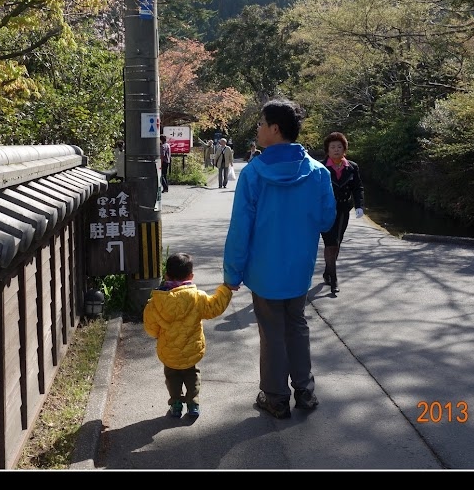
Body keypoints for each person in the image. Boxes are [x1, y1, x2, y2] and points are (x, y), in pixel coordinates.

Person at [222, 98, 336, 419]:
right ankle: (305, 391)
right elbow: (327, 220)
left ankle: (274, 397)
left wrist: (233, 273)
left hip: (264, 272)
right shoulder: (318, 172)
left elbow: (240, 229)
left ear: (274, 129)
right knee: (297, 325)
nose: (257, 129)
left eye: (260, 124)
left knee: (272, 331)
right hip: (299, 270)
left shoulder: (254, 173)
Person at [143, 252, 233, 419]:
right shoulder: (197, 297)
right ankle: (193, 404)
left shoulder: (156, 302)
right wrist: (226, 289)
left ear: (166, 274)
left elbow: (150, 327)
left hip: (169, 351)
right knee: (192, 376)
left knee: (172, 378)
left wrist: (159, 335)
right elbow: (215, 307)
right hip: (192, 350)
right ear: (191, 276)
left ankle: (176, 404)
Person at [320, 131, 364, 295]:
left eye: (339, 146)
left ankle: (327, 272)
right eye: (333, 147)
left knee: (336, 243)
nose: (336, 150)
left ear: (344, 149)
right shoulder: (320, 167)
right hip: (325, 211)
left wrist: (359, 205)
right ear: (327, 150)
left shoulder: (352, 167)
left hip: (343, 210)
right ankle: (334, 279)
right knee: (330, 243)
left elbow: (358, 187)